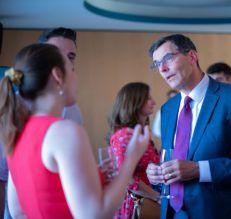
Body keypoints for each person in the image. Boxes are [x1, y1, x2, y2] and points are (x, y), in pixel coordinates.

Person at [0, 43, 149, 218]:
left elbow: (17, 211)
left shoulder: (16, 131)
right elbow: (94, 214)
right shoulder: (65, 131)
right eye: (72, 70)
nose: (76, 77)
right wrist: (130, 160)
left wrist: (91, 178)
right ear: (57, 76)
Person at [146, 34, 231, 219]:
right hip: (173, 212)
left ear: (192, 57)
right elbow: (172, 159)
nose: (163, 69)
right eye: (157, 64)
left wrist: (199, 169)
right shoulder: (167, 110)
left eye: (168, 59)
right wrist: (157, 174)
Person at [107, 82, 160, 219]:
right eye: (148, 98)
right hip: (134, 205)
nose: (153, 102)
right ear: (135, 101)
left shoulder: (141, 134)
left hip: (147, 201)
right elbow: (126, 178)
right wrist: (158, 197)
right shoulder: (124, 136)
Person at [38, 27, 83, 125]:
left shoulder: (71, 108)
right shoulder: (15, 103)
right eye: (57, 54)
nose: (65, 62)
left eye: (70, 57)